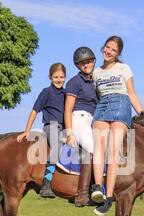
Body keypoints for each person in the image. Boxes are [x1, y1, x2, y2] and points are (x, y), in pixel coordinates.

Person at [91, 36, 144, 216]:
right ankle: (97, 188)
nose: (109, 51)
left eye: (113, 50)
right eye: (107, 47)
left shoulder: (124, 68)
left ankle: (108, 197)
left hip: (121, 105)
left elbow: (132, 94)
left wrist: (143, 115)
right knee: (98, 145)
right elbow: (96, 96)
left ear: (118, 54)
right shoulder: (96, 73)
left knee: (113, 152)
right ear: (103, 48)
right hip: (102, 106)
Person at [17, 63, 67, 198]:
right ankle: (46, 184)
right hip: (51, 126)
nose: (59, 79)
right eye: (56, 77)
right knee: (57, 147)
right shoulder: (46, 92)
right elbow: (35, 111)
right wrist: (27, 130)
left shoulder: (66, 93)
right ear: (50, 77)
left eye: (61, 77)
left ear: (65, 77)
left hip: (65, 127)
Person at [64, 47, 98, 207]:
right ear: (78, 66)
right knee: (92, 149)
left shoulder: (96, 81)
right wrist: (70, 133)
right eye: (82, 63)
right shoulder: (74, 82)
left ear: (94, 61)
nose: (86, 65)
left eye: (88, 61)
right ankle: (82, 194)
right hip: (78, 119)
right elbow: (68, 109)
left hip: (92, 120)